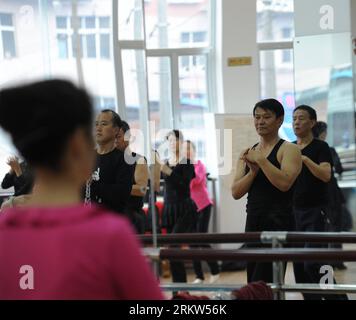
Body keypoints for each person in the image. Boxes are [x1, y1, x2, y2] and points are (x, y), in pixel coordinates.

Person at [0, 79, 163, 300]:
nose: (97, 130)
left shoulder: (6, 234)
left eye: (103, 124)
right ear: (78, 145)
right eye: (93, 127)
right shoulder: (108, 238)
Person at [231, 98, 302, 283]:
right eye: (256, 117)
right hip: (253, 221)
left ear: (279, 120)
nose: (260, 122)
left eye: (266, 117)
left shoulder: (290, 149)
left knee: (270, 281)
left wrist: (262, 161)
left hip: (279, 220)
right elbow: (236, 192)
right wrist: (253, 172)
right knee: (253, 282)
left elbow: (284, 183)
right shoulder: (248, 152)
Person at [292, 105, 348, 300]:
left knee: (315, 262)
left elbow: (325, 174)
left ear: (312, 122)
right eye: (294, 118)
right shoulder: (288, 147)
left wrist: (305, 159)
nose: (296, 122)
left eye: (301, 118)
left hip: (316, 211)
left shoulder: (320, 147)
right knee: (299, 267)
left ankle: (338, 298)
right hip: (294, 213)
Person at [161, 130, 196, 284]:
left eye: (174, 140)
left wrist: (167, 171)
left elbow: (183, 183)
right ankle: (178, 288)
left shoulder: (187, 163)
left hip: (184, 209)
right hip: (169, 208)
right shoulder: (165, 163)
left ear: (181, 142)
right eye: (169, 141)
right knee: (172, 250)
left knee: (175, 245)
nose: (171, 143)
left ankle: (182, 287)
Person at [183, 140, 220, 284]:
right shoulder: (182, 167)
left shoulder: (199, 165)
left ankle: (215, 270)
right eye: (184, 149)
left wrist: (184, 176)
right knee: (192, 242)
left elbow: (195, 181)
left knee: (202, 240)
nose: (186, 152)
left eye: (189, 149)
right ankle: (199, 276)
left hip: (204, 205)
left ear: (193, 151)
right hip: (190, 208)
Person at [84, 109, 135, 214]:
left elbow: (121, 194)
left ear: (116, 130)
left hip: (110, 221)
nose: (98, 128)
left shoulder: (124, 160)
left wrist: (93, 184)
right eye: (96, 124)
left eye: (104, 124)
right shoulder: (86, 158)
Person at [116, 120, 148, 234]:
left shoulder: (139, 160)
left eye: (118, 137)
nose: (115, 141)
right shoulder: (109, 161)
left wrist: (114, 188)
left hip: (132, 217)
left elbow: (142, 189)